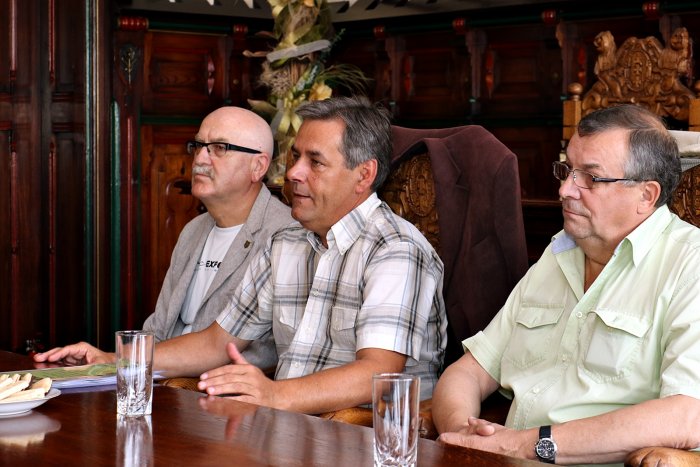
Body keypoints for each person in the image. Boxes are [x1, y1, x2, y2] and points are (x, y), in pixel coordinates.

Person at [35, 96, 447, 414]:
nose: (293, 173)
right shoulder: (287, 242)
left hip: (361, 438)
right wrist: (114, 361)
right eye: (296, 156)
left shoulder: (396, 249)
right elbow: (218, 342)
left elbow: (378, 372)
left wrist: (273, 394)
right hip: (282, 430)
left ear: (364, 174)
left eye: (315, 161)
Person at [431, 104, 700, 466]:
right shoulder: (559, 253)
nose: (565, 190)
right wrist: (463, 436)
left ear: (646, 195)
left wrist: (523, 445)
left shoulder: (689, 266)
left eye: (590, 178)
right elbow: (469, 371)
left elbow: (687, 416)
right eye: (567, 169)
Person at [141, 106, 294, 369]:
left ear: (258, 166)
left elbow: (255, 353)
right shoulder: (193, 230)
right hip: (161, 378)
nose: (200, 158)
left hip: (218, 388)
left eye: (219, 148)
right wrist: (102, 368)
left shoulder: (284, 235)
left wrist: (120, 360)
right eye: (198, 145)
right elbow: (158, 327)